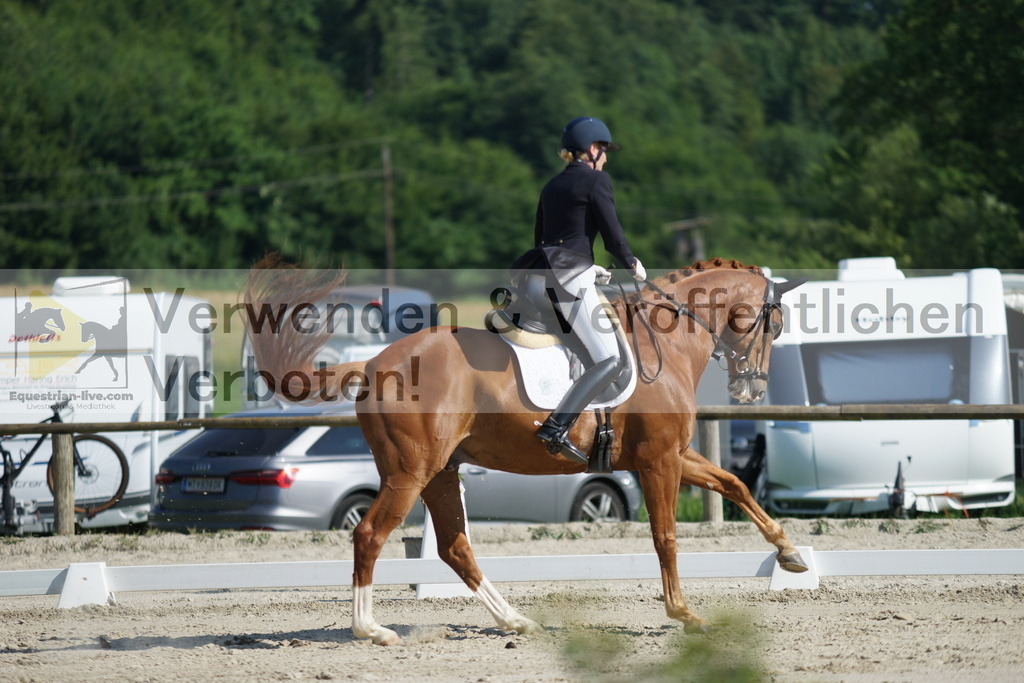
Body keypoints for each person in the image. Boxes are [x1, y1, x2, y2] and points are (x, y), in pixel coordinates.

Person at [511, 116, 646, 465]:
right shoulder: (597, 180)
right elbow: (613, 235)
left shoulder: (551, 185)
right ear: (592, 148)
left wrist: (590, 265)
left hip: (538, 278)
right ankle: (556, 427)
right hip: (568, 283)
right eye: (604, 149)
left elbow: (544, 239)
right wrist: (631, 262)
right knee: (611, 359)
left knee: (579, 349)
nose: (605, 156)